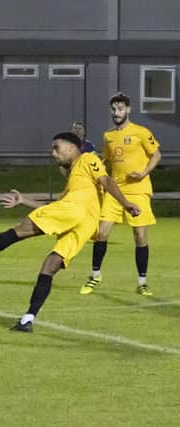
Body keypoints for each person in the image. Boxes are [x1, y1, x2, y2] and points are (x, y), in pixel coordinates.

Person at [0, 132, 140, 332]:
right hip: (85, 223)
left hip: (74, 212)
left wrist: (126, 203)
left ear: (73, 147)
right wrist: (24, 201)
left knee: (17, 232)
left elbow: (107, 181)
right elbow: (56, 206)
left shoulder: (88, 159)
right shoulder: (74, 179)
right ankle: (28, 319)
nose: (53, 153)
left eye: (57, 147)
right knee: (50, 266)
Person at [80, 92, 162, 296]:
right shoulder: (108, 136)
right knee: (101, 233)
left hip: (138, 191)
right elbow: (104, 161)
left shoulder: (141, 132)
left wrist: (143, 173)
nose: (117, 112)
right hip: (114, 191)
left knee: (140, 236)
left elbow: (157, 154)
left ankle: (142, 282)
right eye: (114, 109)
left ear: (128, 109)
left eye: (120, 108)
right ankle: (95, 276)